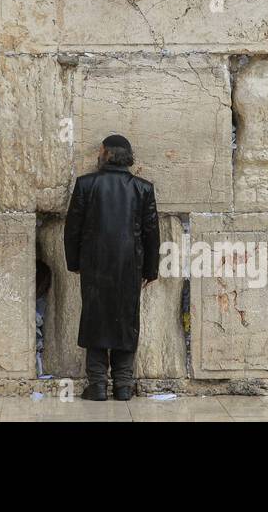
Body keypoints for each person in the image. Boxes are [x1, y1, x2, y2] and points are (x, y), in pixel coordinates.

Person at [63, 134, 160, 402]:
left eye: (101, 150)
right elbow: (151, 234)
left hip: (94, 266)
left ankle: (97, 386)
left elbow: (72, 229)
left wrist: (74, 263)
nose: (98, 154)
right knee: (126, 321)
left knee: (95, 320)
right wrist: (150, 270)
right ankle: (123, 386)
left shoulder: (86, 185)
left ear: (106, 154)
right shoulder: (143, 188)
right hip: (129, 267)